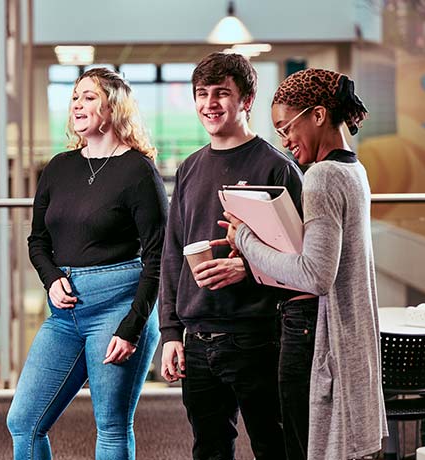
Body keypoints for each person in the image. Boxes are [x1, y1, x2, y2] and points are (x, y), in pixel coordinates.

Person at [218, 68, 388, 459]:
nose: (285, 140)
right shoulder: (353, 170)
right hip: (343, 335)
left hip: (314, 337)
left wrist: (244, 238)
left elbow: (314, 275)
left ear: (317, 115)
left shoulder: (322, 177)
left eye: (286, 127)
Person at [7, 67, 167, 459]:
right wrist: (50, 279)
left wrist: (132, 326)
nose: (77, 104)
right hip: (65, 312)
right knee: (23, 421)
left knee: (111, 426)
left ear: (113, 108)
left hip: (119, 306)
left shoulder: (138, 171)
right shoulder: (59, 167)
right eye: (75, 97)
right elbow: (38, 240)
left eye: (89, 97)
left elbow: (158, 256)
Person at [159, 52, 304, 460]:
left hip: (258, 337)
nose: (210, 103)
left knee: (274, 447)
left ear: (246, 100)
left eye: (221, 93)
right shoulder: (189, 168)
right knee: (209, 450)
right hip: (198, 338)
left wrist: (247, 266)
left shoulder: (278, 168)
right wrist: (171, 333)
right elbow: (172, 255)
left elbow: (304, 262)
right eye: (202, 94)